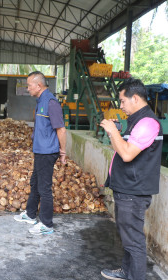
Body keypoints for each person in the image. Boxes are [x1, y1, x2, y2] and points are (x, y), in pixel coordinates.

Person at [100, 78, 162, 280]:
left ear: (135, 98)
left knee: (133, 240)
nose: (121, 106)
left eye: (123, 101)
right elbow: (121, 148)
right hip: (127, 189)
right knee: (127, 237)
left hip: (133, 192)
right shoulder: (137, 121)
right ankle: (127, 271)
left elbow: (127, 154)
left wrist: (112, 131)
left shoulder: (147, 123)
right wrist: (114, 135)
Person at [14, 71, 66, 235]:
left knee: (44, 188)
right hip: (40, 151)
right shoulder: (41, 101)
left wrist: (63, 152)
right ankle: (30, 215)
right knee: (35, 183)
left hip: (47, 152)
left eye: (29, 85)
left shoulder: (51, 102)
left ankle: (47, 224)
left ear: (38, 85)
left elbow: (61, 129)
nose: (28, 88)